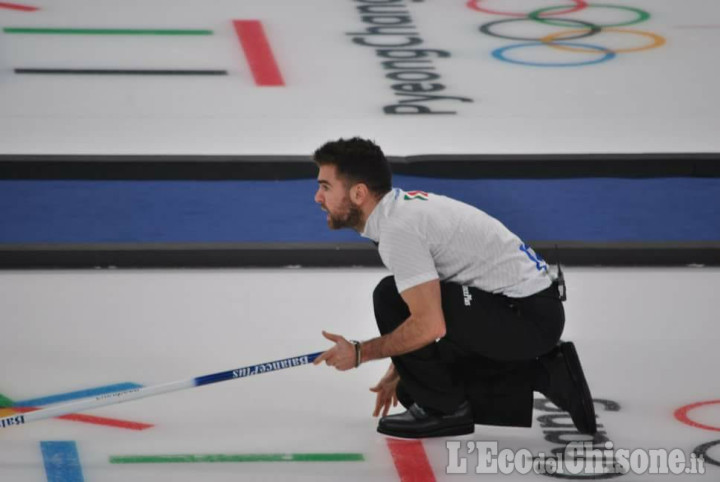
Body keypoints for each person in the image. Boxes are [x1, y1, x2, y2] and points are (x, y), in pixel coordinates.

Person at [312, 137, 596, 439]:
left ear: (358, 193)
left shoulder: (398, 231)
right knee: (415, 385)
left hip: (528, 319)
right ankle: (546, 375)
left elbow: (429, 324)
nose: (317, 197)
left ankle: (448, 410)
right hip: (522, 309)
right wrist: (402, 368)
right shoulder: (398, 212)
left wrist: (360, 353)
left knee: (390, 299)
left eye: (326, 187)